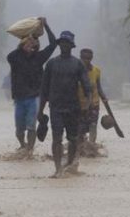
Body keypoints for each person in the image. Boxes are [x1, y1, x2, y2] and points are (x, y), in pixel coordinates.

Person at [37, 30, 92, 177]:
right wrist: (40, 111)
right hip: (55, 107)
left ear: (71, 45)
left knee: (73, 139)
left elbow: (88, 88)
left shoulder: (78, 64)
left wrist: (87, 106)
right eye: (62, 43)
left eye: (67, 43)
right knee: (57, 139)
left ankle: (68, 164)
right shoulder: (51, 64)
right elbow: (44, 89)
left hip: (73, 108)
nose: (64, 45)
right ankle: (57, 168)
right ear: (59, 44)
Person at [6, 17, 57, 151]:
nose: (31, 46)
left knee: (31, 127)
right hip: (19, 98)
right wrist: (25, 39)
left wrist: (46, 25)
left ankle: (29, 150)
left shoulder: (39, 58)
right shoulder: (14, 58)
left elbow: (53, 44)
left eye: (33, 44)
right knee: (19, 130)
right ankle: (22, 145)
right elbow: (10, 55)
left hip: (34, 97)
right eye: (27, 44)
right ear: (21, 45)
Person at [77, 48, 108, 146]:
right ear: (80, 58)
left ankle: (91, 146)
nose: (86, 60)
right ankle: (81, 146)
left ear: (91, 59)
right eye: (84, 58)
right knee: (80, 128)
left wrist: (104, 97)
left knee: (93, 125)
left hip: (94, 104)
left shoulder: (96, 71)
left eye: (88, 58)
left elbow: (98, 87)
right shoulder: (75, 71)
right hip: (79, 104)